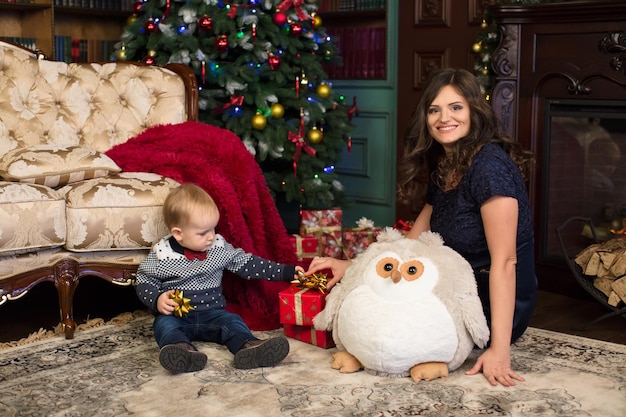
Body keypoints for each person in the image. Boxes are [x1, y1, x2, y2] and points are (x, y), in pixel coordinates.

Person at [306, 68, 537, 388]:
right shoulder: (446, 163)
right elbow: (411, 245)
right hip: (448, 285)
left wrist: (499, 350)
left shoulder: (490, 169)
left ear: (474, 111)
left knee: (399, 322)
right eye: (434, 110)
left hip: (487, 302)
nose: (444, 117)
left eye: (456, 107)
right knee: (375, 296)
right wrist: (352, 266)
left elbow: (506, 263)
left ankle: (380, 355)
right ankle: (368, 351)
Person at [136, 183, 304, 374]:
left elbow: (248, 263)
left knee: (233, 322)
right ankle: (182, 351)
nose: (211, 237)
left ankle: (248, 347)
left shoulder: (218, 248)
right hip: (177, 315)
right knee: (163, 325)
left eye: (213, 229)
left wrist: (286, 272)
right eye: (202, 233)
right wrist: (157, 299)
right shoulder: (162, 255)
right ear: (178, 234)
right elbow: (143, 280)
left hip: (213, 313)